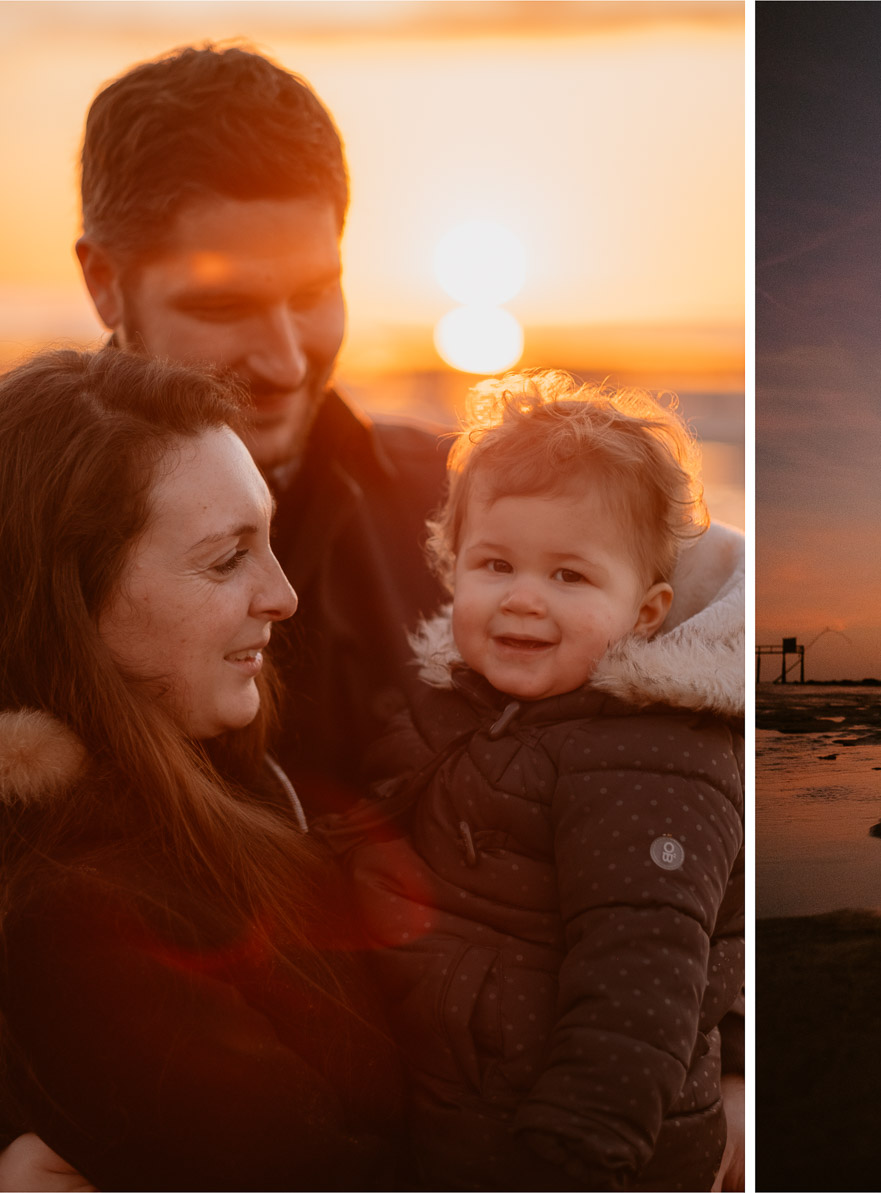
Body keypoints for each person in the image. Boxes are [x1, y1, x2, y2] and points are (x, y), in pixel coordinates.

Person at [61, 43, 747, 1184]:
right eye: (224, 301)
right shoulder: (18, 532)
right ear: (102, 283)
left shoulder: (481, 516)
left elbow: (678, 785)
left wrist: (727, 1080)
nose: (283, 357)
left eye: (314, 291)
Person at [0, 349, 407, 1190]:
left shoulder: (235, 768)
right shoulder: (85, 919)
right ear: (75, 597)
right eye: (228, 559)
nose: (284, 593)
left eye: (270, 539)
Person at [339, 372, 744, 1190]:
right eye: (495, 564)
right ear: (452, 570)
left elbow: (645, 967)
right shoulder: (443, 703)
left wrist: (584, 1137)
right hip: (457, 1116)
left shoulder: (652, 760)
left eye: (570, 576)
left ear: (645, 611)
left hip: (581, 1147)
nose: (524, 598)